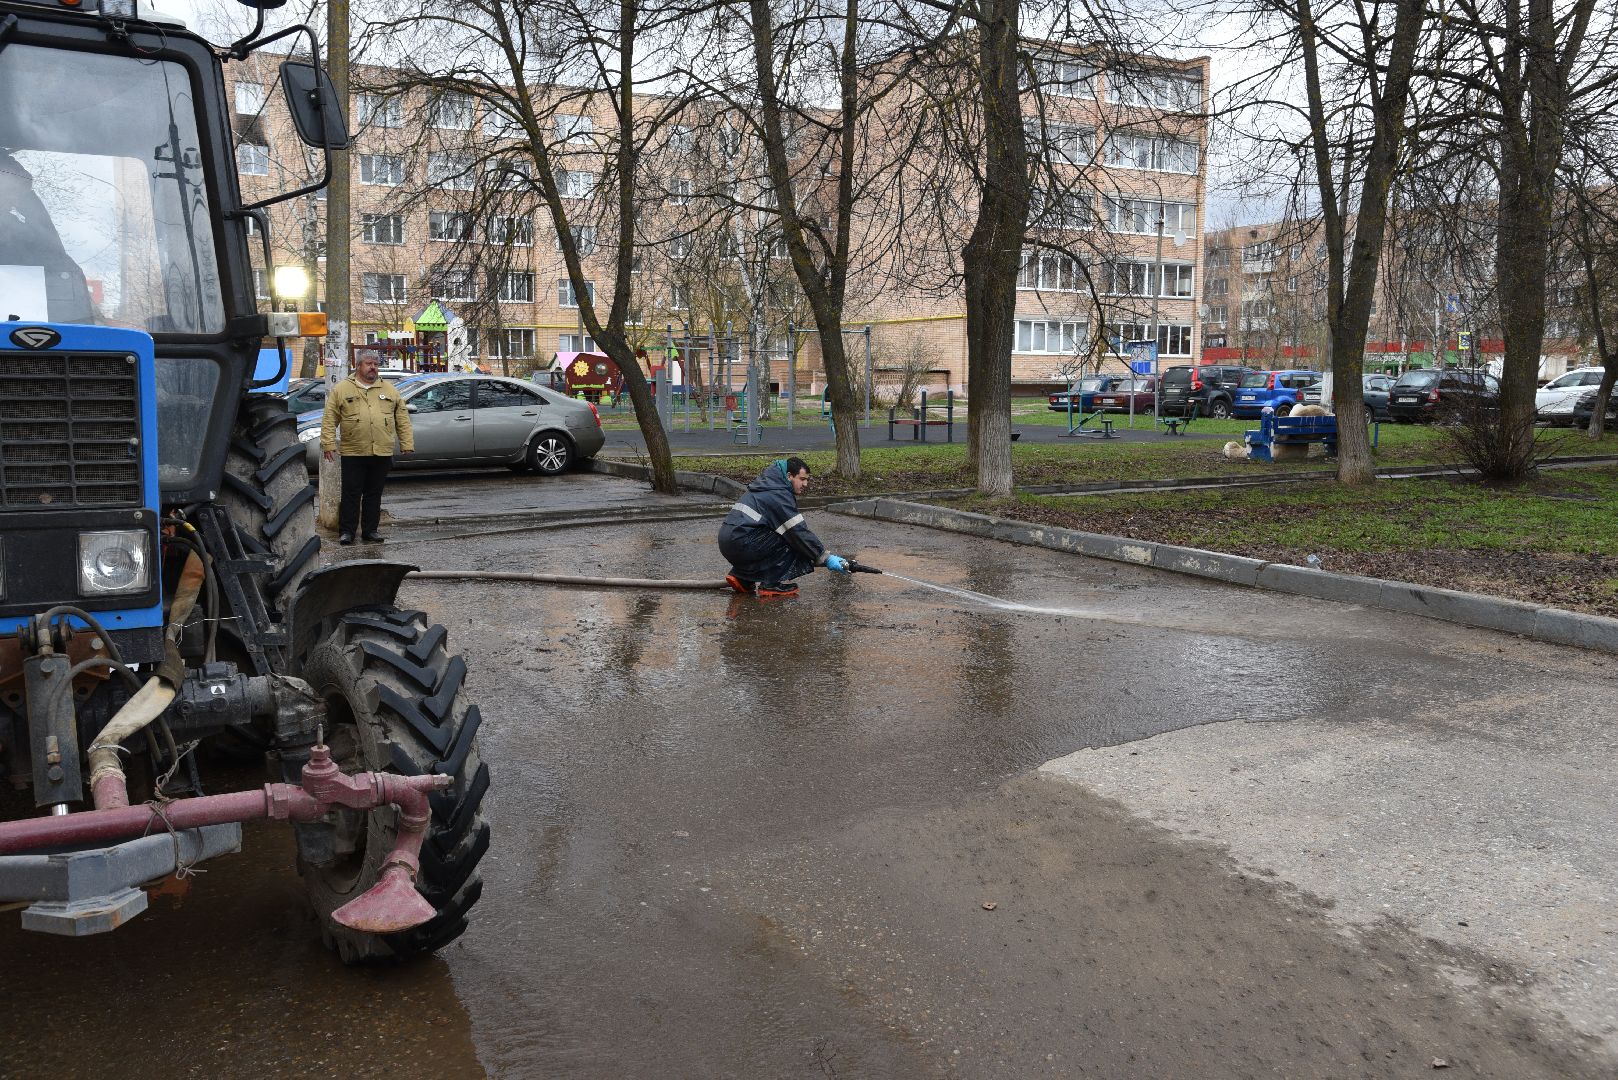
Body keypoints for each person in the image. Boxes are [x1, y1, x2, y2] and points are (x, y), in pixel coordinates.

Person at [718, 457, 850, 598]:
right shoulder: (778, 494)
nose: (806, 484)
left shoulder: (765, 486)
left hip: (729, 543)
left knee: (773, 534)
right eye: (802, 479)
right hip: (744, 543)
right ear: (789, 476)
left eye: (807, 480)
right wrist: (824, 557)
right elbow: (797, 532)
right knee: (790, 538)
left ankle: (742, 579)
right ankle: (771, 583)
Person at [320, 351, 413, 545]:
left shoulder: (389, 389)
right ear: (359, 365)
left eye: (376, 364)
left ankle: (370, 531)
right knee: (351, 494)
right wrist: (328, 443)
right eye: (369, 364)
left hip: (381, 450)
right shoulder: (343, 389)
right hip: (354, 451)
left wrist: (406, 443)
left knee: (374, 494)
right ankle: (347, 532)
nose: (373, 367)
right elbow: (329, 419)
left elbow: (402, 418)